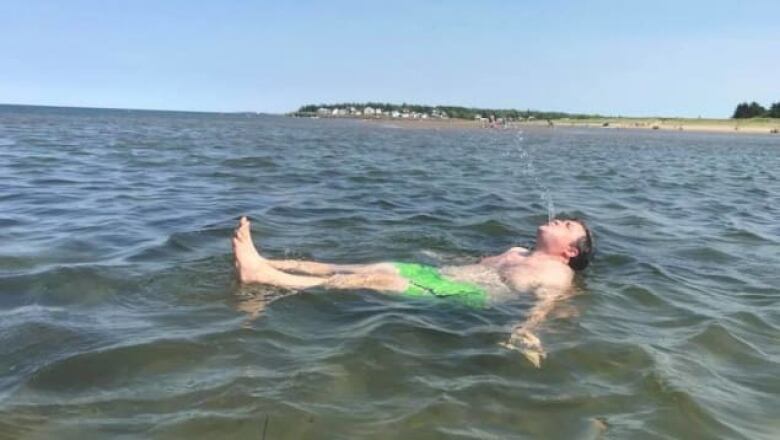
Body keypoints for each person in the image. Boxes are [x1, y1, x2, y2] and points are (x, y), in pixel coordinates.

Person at [232, 215, 594, 367]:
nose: (558, 219)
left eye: (566, 225)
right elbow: (475, 262)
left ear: (570, 251)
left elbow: (545, 306)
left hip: (456, 295)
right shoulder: (515, 251)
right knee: (354, 267)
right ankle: (266, 260)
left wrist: (526, 332)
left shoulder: (557, 274)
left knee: (367, 281)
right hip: (433, 274)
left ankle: (261, 276)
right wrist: (440, 258)